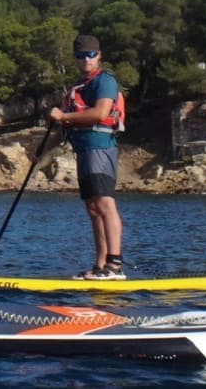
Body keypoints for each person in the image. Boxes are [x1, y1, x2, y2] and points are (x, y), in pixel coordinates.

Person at [47, 34, 126, 280]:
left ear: (99, 56)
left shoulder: (105, 81)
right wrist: (40, 151)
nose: (86, 60)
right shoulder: (76, 88)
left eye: (91, 55)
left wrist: (63, 117)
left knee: (104, 203)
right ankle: (100, 265)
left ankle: (115, 265)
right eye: (81, 56)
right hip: (84, 150)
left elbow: (100, 113)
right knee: (92, 208)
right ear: (75, 59)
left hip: (100, 147)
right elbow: (64, 128)